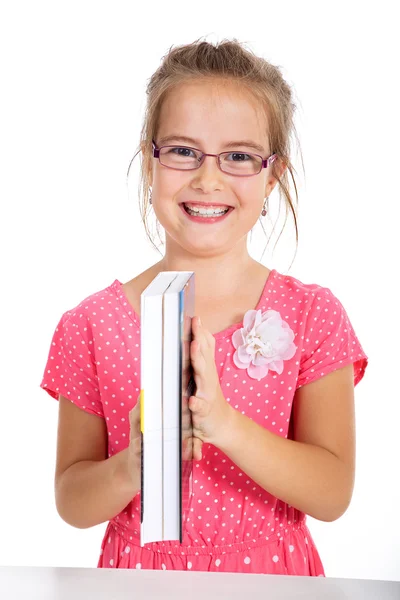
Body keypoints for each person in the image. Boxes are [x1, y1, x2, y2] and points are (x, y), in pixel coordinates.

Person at [40, 38, 368, 576]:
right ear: (150, 162)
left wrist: (226, 426)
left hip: (274, 579)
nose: (208, 178)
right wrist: (130, 468)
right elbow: (71, 500)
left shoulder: (312, 315)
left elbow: (332, 495)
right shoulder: (92, 325)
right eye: (182, 151)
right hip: (138, 580)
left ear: (273, 174)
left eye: (238, 156)